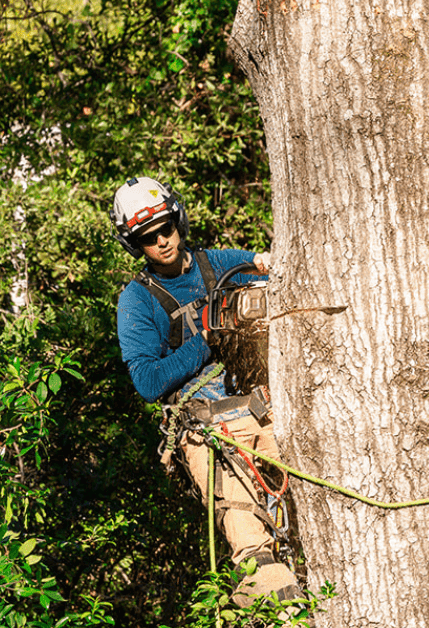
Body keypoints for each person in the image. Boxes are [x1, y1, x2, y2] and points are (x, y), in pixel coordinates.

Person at [112, 176, 300, 607]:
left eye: (165, 228)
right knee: (246, 524)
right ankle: (271, 599)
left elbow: (259, 261)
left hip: (264, 408)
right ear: (135, 243)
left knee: (306, 506)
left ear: (177, 220)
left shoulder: (216, 264)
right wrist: (207, 338)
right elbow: (147, 381)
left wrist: (266, 262)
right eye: (148, 237)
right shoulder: (138, 301)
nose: (161, 241)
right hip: (206, 428)